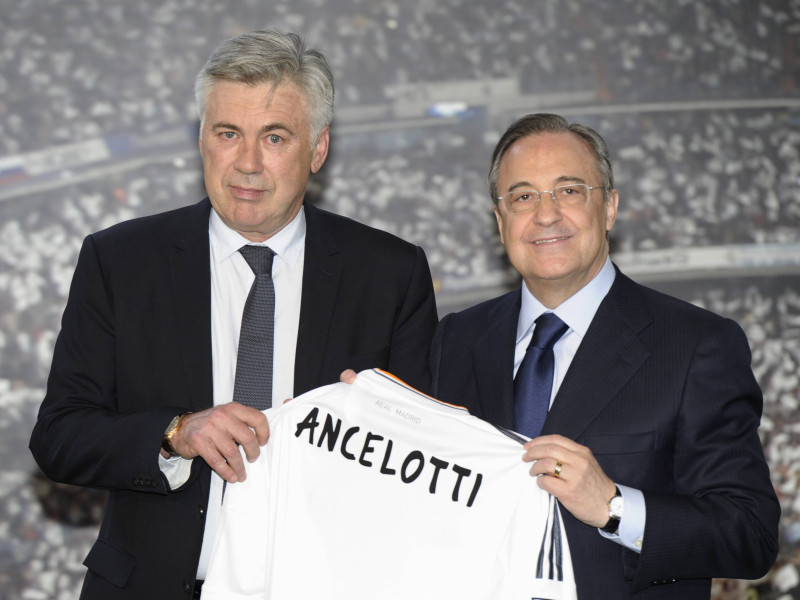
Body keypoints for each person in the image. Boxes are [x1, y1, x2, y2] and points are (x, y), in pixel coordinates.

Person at [29, 30, 437, 600]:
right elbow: (59, 437)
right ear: (201, 139)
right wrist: (173, 433)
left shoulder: (390, 273)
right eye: (228, 133)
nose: (247, 163)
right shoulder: (120, 260)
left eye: (274, 137)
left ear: (317, 149)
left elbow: (419, 462)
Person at [429, 113, 779, 599]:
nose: (546, 214)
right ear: (500, 219)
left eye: (569, 190)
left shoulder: (696, 345)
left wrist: (615, 507)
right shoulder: (456, 339)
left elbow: (751, 534)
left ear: (610, 207)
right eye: (523, 196)